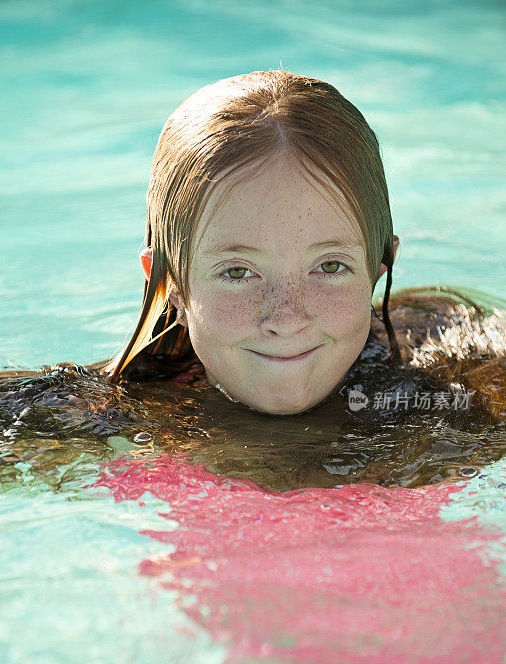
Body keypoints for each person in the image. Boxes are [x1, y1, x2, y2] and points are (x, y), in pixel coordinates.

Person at [98, 69, 505, 419]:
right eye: (238, 271)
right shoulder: (91, 420)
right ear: (172, 287)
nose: (288, 318)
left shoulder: (464, 395)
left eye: (329, 267)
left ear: (376, 272)